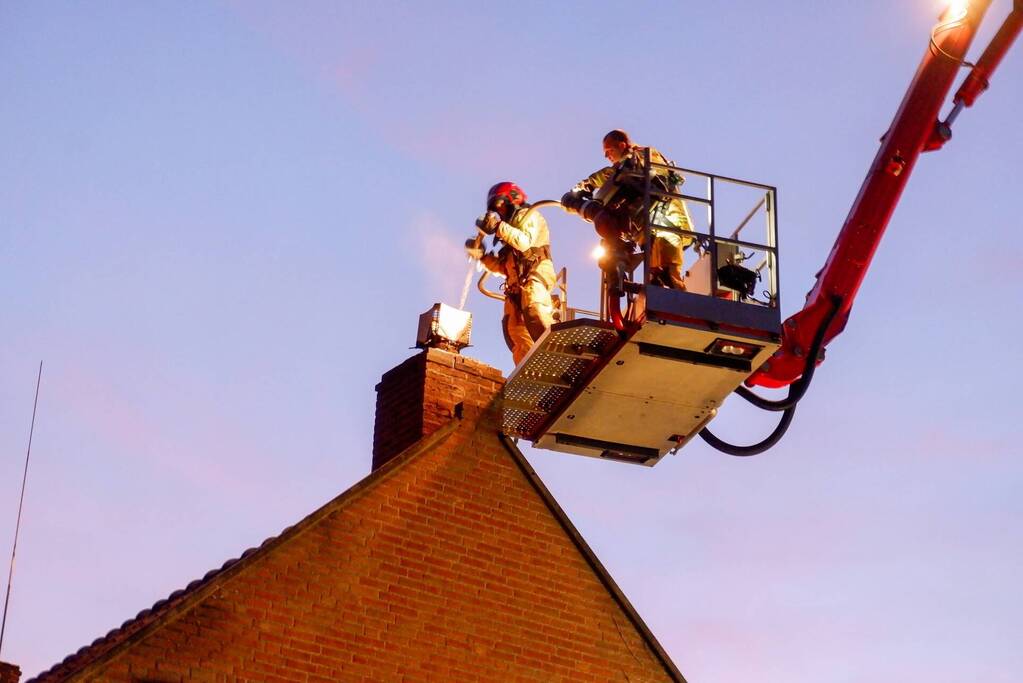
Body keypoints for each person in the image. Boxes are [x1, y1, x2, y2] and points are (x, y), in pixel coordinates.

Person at [562, 129, 693, 290]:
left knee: (668, 273)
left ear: (622, 145)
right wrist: (584, 189)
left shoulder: (645, 156)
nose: (606, 156)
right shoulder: (626, 169)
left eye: (609, 150)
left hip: (667, 222)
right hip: (647, 226)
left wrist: (588, 186)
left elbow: (627, 171)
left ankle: (677, 301)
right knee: (656, 275)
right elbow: (614, 174)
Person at [466, 182, 556, 365]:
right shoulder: (508, 235)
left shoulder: (528, 215)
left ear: (512, 199)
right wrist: (482, 257)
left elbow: (524, 243)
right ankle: (529, 368)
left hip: (536, 273)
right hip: (516, 286)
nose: (499, 211)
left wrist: (498, 226)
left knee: (534, 309)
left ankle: (555, 351)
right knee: (514, 330)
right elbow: (503, 268)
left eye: (500, 205)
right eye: (496, 209)